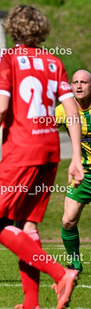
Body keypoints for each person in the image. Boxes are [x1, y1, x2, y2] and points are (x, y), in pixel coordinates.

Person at [0, 5, 83, 309]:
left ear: (12, 28)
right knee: (27, 225)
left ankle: (60, 274)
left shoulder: (8, 58)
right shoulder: (54, 62)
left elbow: (1, 107)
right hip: (50, 149)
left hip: (22, 149)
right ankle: (31, 306)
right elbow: (72, 111)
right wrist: (76, 157)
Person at [56, 69, 91, 273]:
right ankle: (75, 263)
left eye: (83, 82)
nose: (78, 85)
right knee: (68, 220)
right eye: (75, 82)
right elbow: (43, 129)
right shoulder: (64, 110)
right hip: (82, 174)